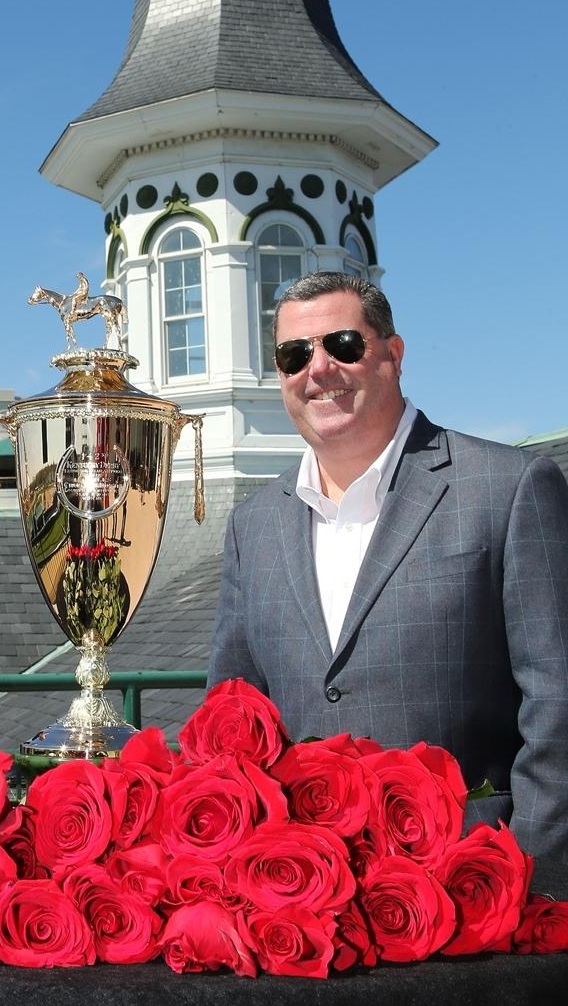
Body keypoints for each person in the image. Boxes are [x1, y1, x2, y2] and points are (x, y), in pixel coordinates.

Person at [209, 270, 568, 857]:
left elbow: (557, 704)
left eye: (342, 345)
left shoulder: (509, 488)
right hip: (303, 889)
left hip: (472, 882)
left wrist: (537, 881)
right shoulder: (252, 526)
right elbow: (231, 717)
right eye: (294, 355)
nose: (318, 369)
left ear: (393, 355)